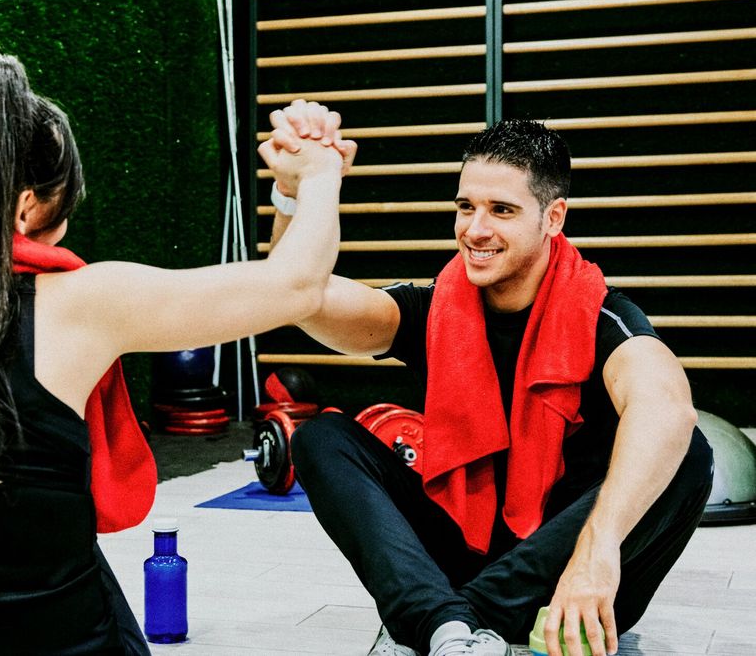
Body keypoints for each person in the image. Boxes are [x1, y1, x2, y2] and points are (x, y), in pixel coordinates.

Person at [0, 44, 356, 655]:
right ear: (25, 209)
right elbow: (295, 285)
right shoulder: (80, 307)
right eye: (62, 214)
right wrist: (312, 177)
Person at [265, 107, 713, 656]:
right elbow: (297, 294)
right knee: (321, 437)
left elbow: (668, 408)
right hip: (459, 551)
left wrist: (596, 551)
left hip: (569, 579)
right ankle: (451, 629)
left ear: (553, 217)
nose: (475, 230)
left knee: (686, 453)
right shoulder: (434, 308)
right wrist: (295, 195)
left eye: (501, 210)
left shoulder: (603, 317)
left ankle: (445, 622)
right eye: (465, 207)